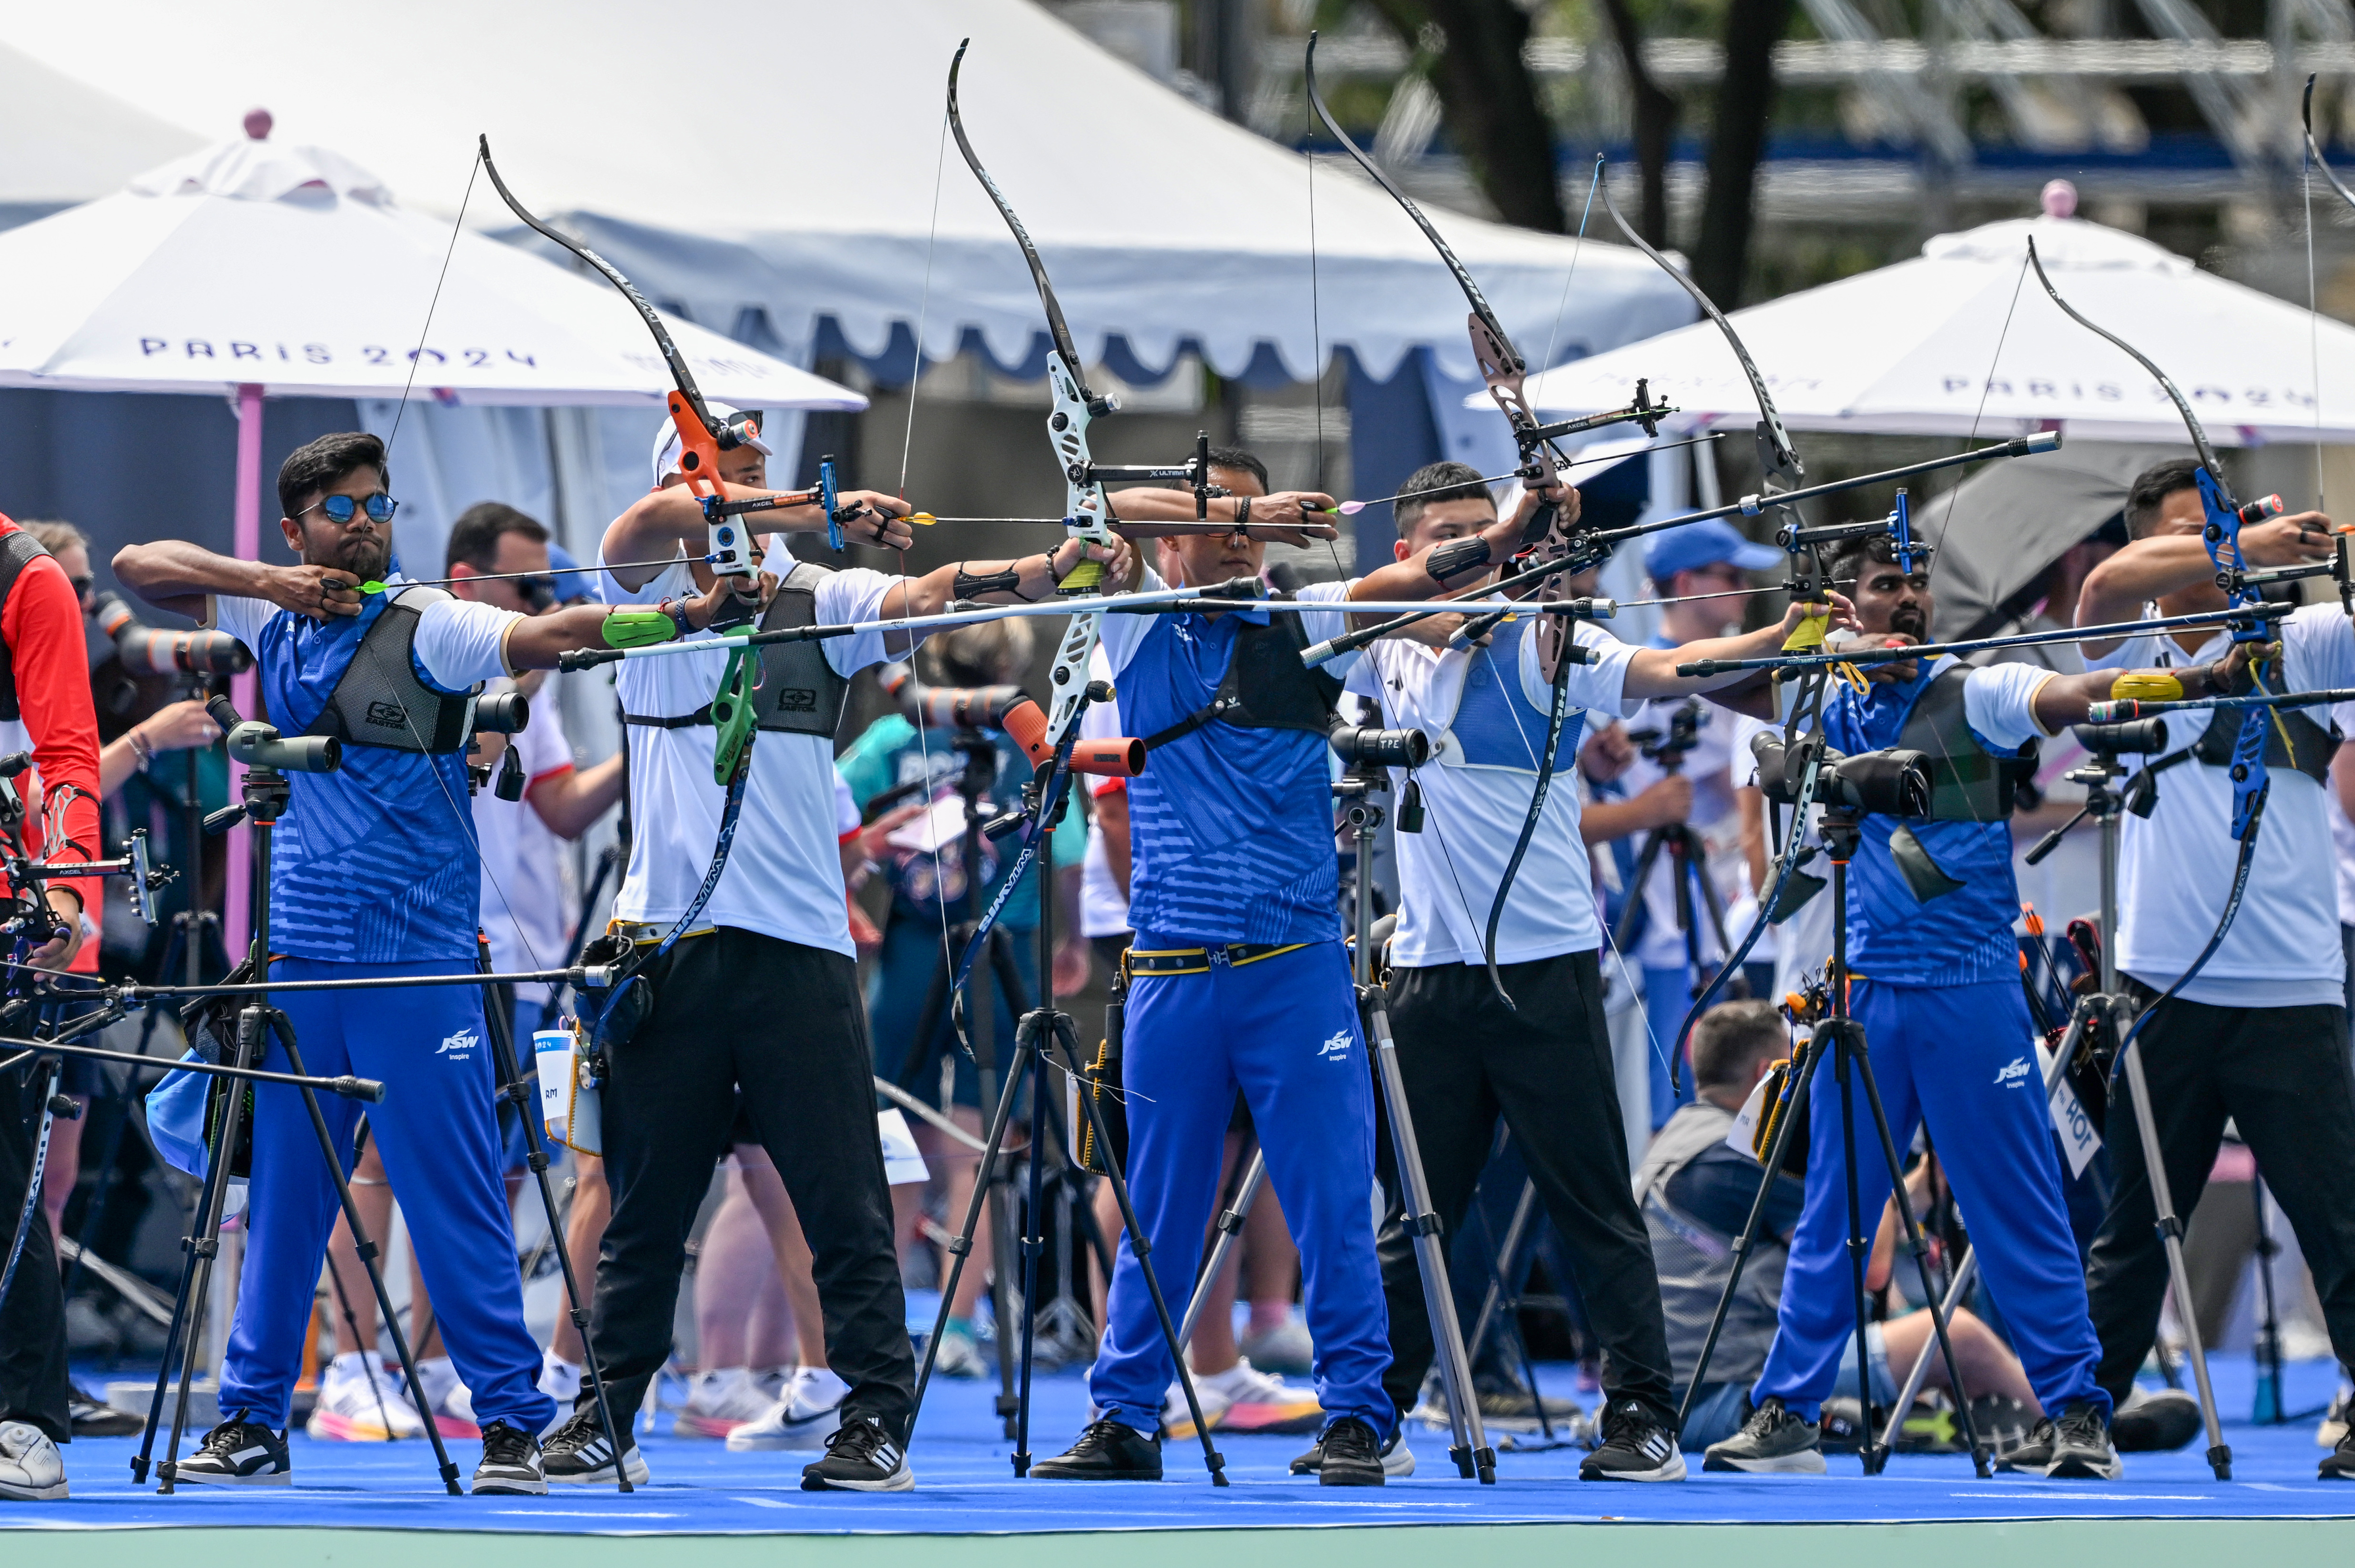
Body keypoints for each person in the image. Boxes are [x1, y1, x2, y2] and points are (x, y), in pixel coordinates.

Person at [112, 430, 742, 1493]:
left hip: (419, 968)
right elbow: (139, 565)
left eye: (378, 505)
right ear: (296, 529)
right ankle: (254, 1419)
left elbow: (548, 632)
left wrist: (680, 617)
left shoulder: (432, 621)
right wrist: (264, 581)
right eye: (343, 510)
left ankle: (506, 1424)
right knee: (287, 1203)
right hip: (304, 961)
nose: (365, 524)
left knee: (452, 1194)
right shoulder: (269, 607)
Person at [537, 403, 1114, 1495]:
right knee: (648, 1203)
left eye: (755, 466)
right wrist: (800, 502)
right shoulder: (651, 591)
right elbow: (631, 534)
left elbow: (929, 594)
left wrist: (1054, 565)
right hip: (670, 942)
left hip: (798, 946)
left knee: (841, 1198)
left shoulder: (819, 595)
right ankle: (607, 1415)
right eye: (720, 469)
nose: (742, 483)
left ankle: (874, 1422)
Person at [1024, 448, 1553, 1488]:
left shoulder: (1302, 621)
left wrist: (1514, 525)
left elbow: (1426, 579)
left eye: (1247, 527)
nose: (1233, 538)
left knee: (1327, 1200)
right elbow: (1091, 505)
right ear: (1171, 535)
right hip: (1172, 973)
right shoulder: (1132, 620)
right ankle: (1125, 1415)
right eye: (1213, 521)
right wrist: (1236, 502)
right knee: (1160, 1208)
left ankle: (1361, 1414)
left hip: (1292, 967)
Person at [1326, 461, 1863, 1481]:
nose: (1472, 552)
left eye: (1483, 535)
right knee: (1413, 1214)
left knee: (1592, 1207)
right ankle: (1374, 1416)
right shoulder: (1377, 642)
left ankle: (1640, 1415)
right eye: (1447, 537)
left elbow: (1676, 669)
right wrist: (1487, 562)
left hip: (1546, 971)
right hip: (1427, 972)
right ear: (1407, 553)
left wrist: (1777, 637)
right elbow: (1387, 612)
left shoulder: (1550, 644)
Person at [1700, 531, 2199, 1480]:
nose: (1909, 597)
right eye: (1887, 584)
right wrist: (1802, 636)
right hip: (1865, 988)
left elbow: (2065, 696)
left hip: (1971, 989)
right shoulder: (1822, 692)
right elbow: (1702, 683)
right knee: (1833, 1213)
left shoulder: (1977, 690)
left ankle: (2078, 1413)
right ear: (1847, 603)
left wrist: (2172, 687)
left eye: (1917, 581)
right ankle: (1789, 1410)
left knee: (2016, 1205)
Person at [2072, 458, 2355, 1481]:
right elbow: (2102, 588)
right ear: (2148, 547)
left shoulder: (2308, 639)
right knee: (2132, 1221)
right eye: (2185, 534)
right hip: (2160, 985)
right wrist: (2235, 546)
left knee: (2337, 1219)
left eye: (2222, 527)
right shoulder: (2122, 646)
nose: (2211, 547)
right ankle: (2084, 1415)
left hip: (2289, 986)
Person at [836, 618, 1089, 1376]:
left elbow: (824, 815)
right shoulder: (1024, 732)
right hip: (977, 946)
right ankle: (952, 1317)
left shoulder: (894, 738)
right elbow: (1067, 853)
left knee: (905, 1131)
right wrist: (1070, 935)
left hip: (930, 949)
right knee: (969, 1140)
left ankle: (919, 1316)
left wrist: (848, 887)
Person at [1658, 1001, 2044, 1454]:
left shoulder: (1685, 1138)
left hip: (1674, 1391)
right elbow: (1871, 1265)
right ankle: (2064, 1420)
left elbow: (1859, 1225)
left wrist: (1923, 1185)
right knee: (1957, 1336)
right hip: (1725, 1392)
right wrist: (1863, 1133)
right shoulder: (1749, 1155)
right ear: (1769, 1069)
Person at [0, 511, 105, 1504]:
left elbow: (68, 754)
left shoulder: (25, 578)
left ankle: (25, 1419)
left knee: (6, 1174)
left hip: (6, 913)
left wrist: (65, 891)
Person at [1616, 520, 1785, 1129]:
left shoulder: (1721, 680)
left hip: (1721, 925)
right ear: (1686, 583)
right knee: (1686, 1102)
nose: (1745, 591)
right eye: (1732, 577)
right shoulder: (1642, 678)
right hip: (1672, 927)